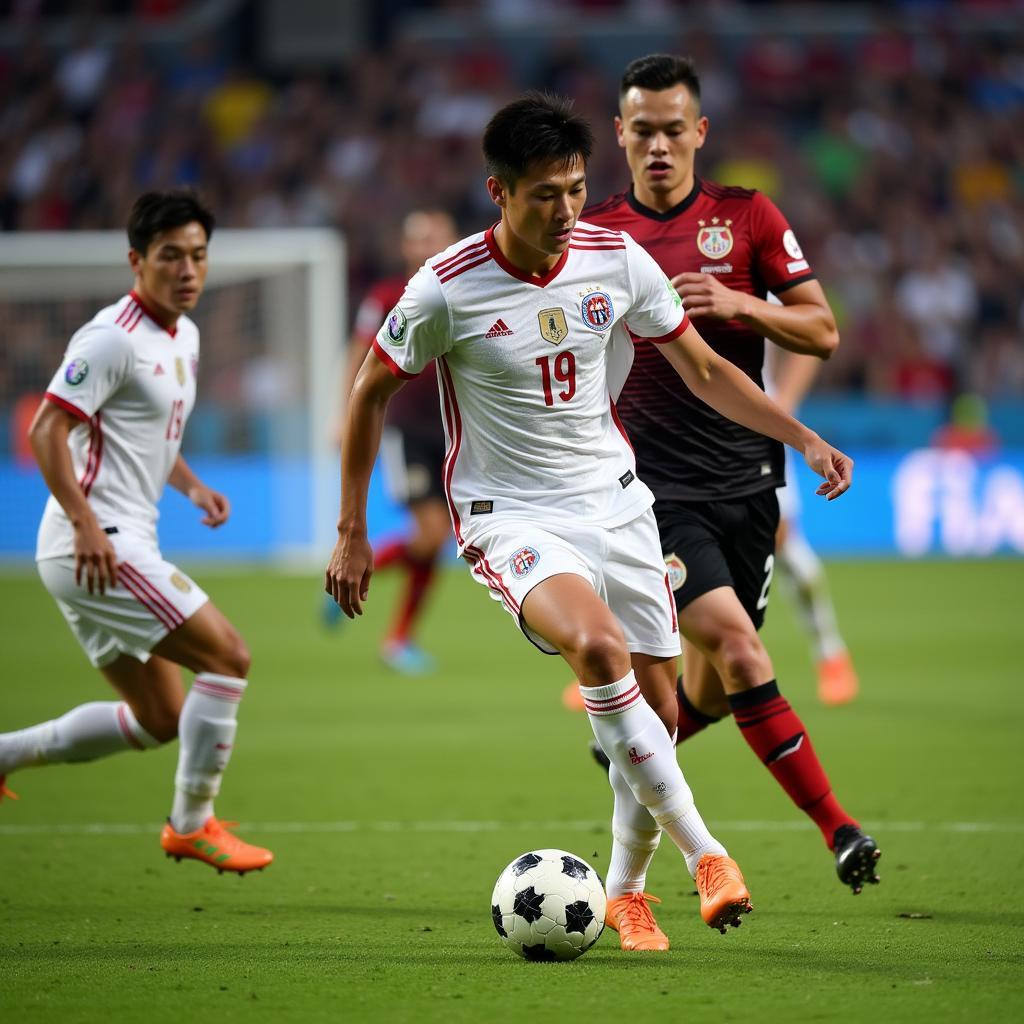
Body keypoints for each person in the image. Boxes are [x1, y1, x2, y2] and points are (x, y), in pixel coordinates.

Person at [325, 93, 855, 950]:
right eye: (545, 194)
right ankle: (707, 853)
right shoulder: (445, 289)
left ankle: (625, 891)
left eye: (575, 188)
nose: (567, 209)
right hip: (511, 517)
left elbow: (706, 371)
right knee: (600, 652)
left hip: (619, 503)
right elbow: (368, 392)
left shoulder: (616, 260)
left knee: (657, 714)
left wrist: (802, 436)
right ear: (499, 192)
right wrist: (352, 530)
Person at [576, 54, 879, 897]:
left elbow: (820, 333)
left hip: (749, 487)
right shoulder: (596, 236)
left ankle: (633, 740)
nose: (661, 146)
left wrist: (743, 305)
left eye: (676, 129)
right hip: (649, 497)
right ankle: (840, 830)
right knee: (744, 656)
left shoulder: (748, 219)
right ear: (621, 136)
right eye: (644, 131)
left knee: (702, 694)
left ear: (700, 132)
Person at [0, 189, 272, 876]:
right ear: (136, 261)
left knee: (158, 718)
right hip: (95, 542)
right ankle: (191, 824)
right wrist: (87, 522)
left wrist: (191, 485)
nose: (187, 270)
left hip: (111, 540)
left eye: (198, 256)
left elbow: (146, 433)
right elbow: (46, 429)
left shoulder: (185, 333)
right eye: (170, 256)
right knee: (229, 658)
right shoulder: (111, 337)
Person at [324, 210, 459, 675]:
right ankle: (353, 573)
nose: (427, 245)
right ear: (405, 248)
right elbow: (359, 354)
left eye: (436, 236)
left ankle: (398, 637)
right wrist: (344, 414)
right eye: (418, 238)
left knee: (435, 541)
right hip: (405, 429)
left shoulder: (467, 290)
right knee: (430, 534)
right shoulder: (386, 297)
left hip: (454, 430)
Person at [766, 344, 860, 706]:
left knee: (782, 541)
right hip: (677, 423)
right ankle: (617, 670)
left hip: (753, 420)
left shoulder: (757, 286)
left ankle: (830, 652)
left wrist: (783, 402)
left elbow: (814, 333)